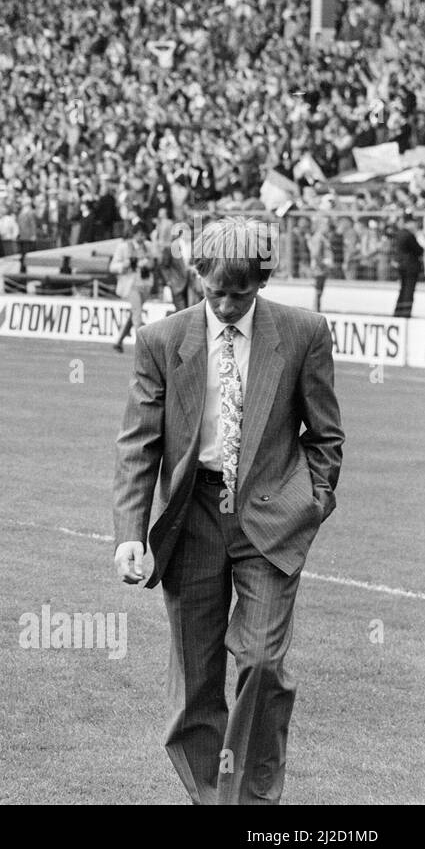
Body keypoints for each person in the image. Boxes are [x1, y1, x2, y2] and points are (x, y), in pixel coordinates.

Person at [113, 216, 343, 805]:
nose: (226, 304)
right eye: (215, 291)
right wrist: (129, 533)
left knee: (263, 662)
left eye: (240, 294)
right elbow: (139, 442)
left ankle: (251, 802)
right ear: (198, 276)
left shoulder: (303, 332)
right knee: (195, 680)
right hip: (191, 518)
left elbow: (325, 435)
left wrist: (312, 503)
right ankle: (211, 797)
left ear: (261, 283)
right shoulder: (162, 339)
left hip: (272, 516)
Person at [111, 224, 154, 351]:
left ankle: (119, 341)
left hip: (145, 284)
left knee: (135, 313)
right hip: (131, 285)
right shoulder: (123, 247)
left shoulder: (148, 246)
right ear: (134, 234)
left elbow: (154, 263)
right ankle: (142, 346)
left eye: (143, 234)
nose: (142, 237)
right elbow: (112, 267)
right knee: (137, 314)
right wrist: (127, 264)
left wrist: (147, 264)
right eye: (140, 234)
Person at [389, 209, 424, 317]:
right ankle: (405, 313)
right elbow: (419, 250)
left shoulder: (400, 234)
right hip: (410, 267)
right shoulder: (409, 235)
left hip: (402, 266)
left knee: (403, 290)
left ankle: (398, 312)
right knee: (408, 291)